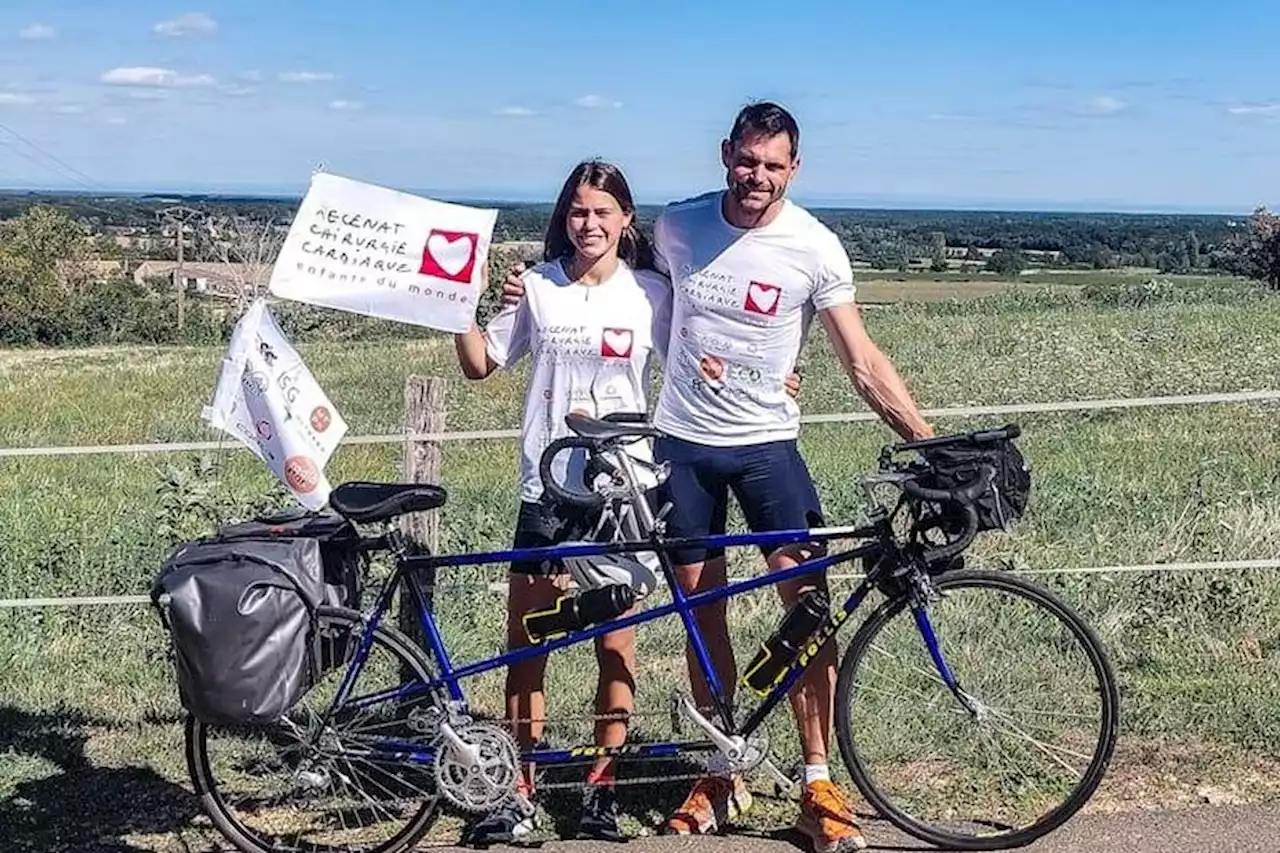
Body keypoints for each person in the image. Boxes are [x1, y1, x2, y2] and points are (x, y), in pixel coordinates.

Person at [502, 102, 935, 853]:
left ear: (794, 169)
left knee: (808, 607)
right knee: (705, 616)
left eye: (773, 165)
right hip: (683, 450)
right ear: (725, 154)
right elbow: (613, 277)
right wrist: (523, 290)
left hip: (769, 449)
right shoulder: (678, 226)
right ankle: (718, 768)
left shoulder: (815, 247)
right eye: (747, 160)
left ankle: (817, 778)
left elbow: (862, 360)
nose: (757, 176)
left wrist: (930, 443)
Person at [454, 158, 804, 845]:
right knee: (528, 645)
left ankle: (600, 787)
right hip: (546, 486)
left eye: (602, 212)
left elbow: (710, 345)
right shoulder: (535, 287)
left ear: (625, 221)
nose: (589, 224)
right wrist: (450, 308)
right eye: (578, 211)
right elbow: (479, 363)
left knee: (616, 648)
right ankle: (520, 790)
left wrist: (778, 374)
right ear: (566, 216)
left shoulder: (652, 292)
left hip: (624, 492)